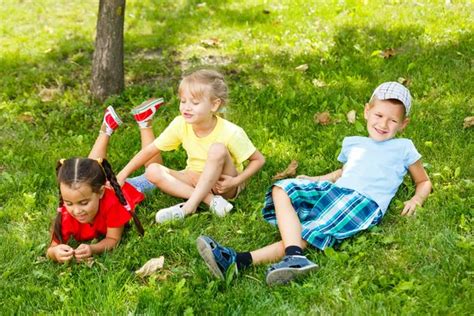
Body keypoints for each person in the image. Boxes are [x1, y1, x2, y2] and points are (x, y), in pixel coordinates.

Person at [196, 82, 432, 286]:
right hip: (336, 190)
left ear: (403, 124)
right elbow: (343, 172)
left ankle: (239, 260)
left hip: (362, 200)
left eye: (393, 120)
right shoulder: (353, 143)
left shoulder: (404, 148)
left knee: (308, 231)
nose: (383, 124)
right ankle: (292, 256)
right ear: (367, 111)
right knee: (282, 188)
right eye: (379, 115)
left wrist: (417, 198)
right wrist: (315, 180)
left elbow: (423, 180)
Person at [117, 69, 265, 223]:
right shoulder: (180, 123)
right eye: (183, 101)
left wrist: (235, 182)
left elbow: (258, 160)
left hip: (223, 185)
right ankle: (210, 201)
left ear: (214, 105)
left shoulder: (231, 131)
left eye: (195, 103)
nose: (186, 107)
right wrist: (122, 175)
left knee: (217, 149)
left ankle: (189, 207)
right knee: (152, 170)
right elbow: (151, 149)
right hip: (194, 177)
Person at [46, 98, 164, 263]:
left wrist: (93, 248)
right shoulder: (66, 213)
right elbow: (51, 248)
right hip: (94, 186)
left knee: (154, 175)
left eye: (83, 203)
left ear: (101, 192)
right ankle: (106, 127)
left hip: (129, 187)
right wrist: (55, 252)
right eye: (69, 203)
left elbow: (113, 240)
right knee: (88, 173)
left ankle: (145, 122)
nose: (76, 210)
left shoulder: (112, 202)